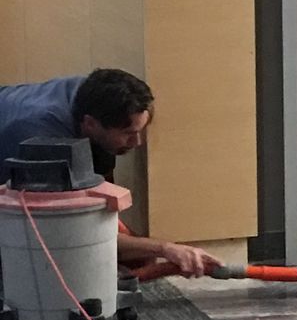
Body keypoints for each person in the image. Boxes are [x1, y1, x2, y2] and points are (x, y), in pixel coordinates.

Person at [0, 67, 221, 279]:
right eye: (128, 133)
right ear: (90, 124)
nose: (137, 142)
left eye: (140, 131)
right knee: (47, 253)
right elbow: (74, 231)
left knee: (132, 254)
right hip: (16, 150)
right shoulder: (42, 141)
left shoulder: (91, 98)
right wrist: (166, 249)